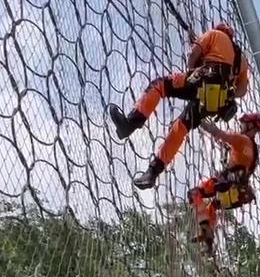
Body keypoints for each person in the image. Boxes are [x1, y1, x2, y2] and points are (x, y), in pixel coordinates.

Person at [107, 22, 252, 189]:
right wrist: (228, 93)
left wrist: (192, 71)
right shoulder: (241, 59)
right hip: (214, 101)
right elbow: (242, 90)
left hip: (201, 81)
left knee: (160, 85)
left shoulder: (213, 34)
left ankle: (131, 123)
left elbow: (193, 56)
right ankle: (152, 173)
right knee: (180, 127)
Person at [186, 111, 260, 257]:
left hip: (226, 185)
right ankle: (209, 243)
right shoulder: (253, 149)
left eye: (244, 123)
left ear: (251, 127)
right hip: (237, 194)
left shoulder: (241, 139)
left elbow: (219, 134)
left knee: (194, 194)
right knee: (212, 207)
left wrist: (198, 117)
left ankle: (206, 229)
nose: (241, 125)